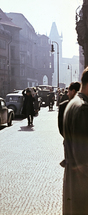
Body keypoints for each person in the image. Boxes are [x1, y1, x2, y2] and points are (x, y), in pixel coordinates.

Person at [62, 67, 88, 215]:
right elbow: (84, 159)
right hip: (82, 190)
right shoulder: (83, 109)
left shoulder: (73, 103)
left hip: (74, 185)